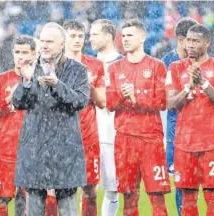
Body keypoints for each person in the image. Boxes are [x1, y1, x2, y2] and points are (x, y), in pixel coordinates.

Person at [13, 22, 89, 216]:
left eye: (49, 41)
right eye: (42, 41)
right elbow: (18, 103)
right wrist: (27, 82)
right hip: (35, 148)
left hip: (65, 148)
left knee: (69, 209)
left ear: (62, 44)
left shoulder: (77, 69)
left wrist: (57, 85)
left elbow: (80, 101)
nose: (44, 45)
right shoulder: (30, 67)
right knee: (34, 209)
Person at [160, 17, 214, 216]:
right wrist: (189, 87)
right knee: (187, 198)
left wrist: (204, 84)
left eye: (195, 41)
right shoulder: (175, 67)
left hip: (212, 144)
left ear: (207, 43)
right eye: (187, 40)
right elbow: (170, 104)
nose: (189, 45)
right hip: (183, 144)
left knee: (213, 197)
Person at [105, 19, 170, 215]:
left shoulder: (157, 66)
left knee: (157, 196)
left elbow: (162, 102)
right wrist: (123, 96)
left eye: (130, 35)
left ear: (142, 37)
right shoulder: (114, 69)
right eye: (123, 36)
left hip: (151, 139)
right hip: (124, 140)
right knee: (129, 197)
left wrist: (137, 97)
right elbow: (109, 103)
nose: (124, 39)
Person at [0, 35, 37, 216]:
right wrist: (8, 102)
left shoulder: (40, 80)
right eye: (17, 52)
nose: (20, 56)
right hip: (6, 150)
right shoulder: (1, 79)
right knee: (1, 199)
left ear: (34, 54)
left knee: (33, 201)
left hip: (32, 150)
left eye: (25, 52)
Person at [62, 20, 106, 215]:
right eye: (72, 36)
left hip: (88, 137)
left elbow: (103, 102)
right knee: (57, 191)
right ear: (63, 39)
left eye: (81, 36)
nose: (77, 40)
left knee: (90, 190)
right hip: (61, 138)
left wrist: (88, 85)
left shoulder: (95, 65)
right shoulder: (55, 65)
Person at [88, 19, 122, 216]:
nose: (90, 38)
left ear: (109, 36)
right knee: (83, 188)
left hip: (110, 135)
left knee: (111, 188)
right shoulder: (86, 64)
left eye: (95, 34)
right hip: (84, 133)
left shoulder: (122, 64)